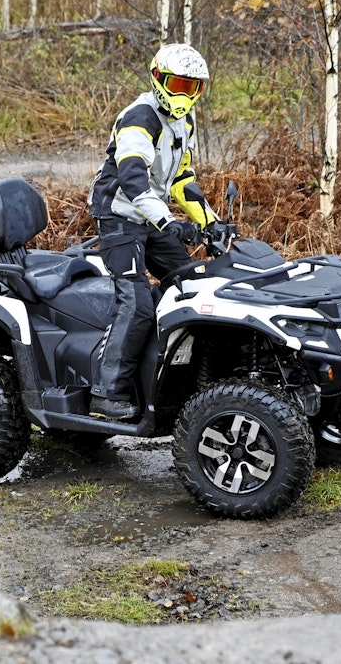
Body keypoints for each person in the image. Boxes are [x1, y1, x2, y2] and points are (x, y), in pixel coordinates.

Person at [86, 43, 223, 421]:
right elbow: (133, 181)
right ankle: (106, 393)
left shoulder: (185, 123)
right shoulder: (140, 118)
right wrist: (169, 223)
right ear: (159, 78)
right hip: (118, 215)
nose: (185, 93)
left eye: (193, 86)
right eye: (178, 84)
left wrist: (210, 222)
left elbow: (182, 179)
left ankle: (177, 373)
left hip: (150, 215)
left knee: (191, 283)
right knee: (136, 303)